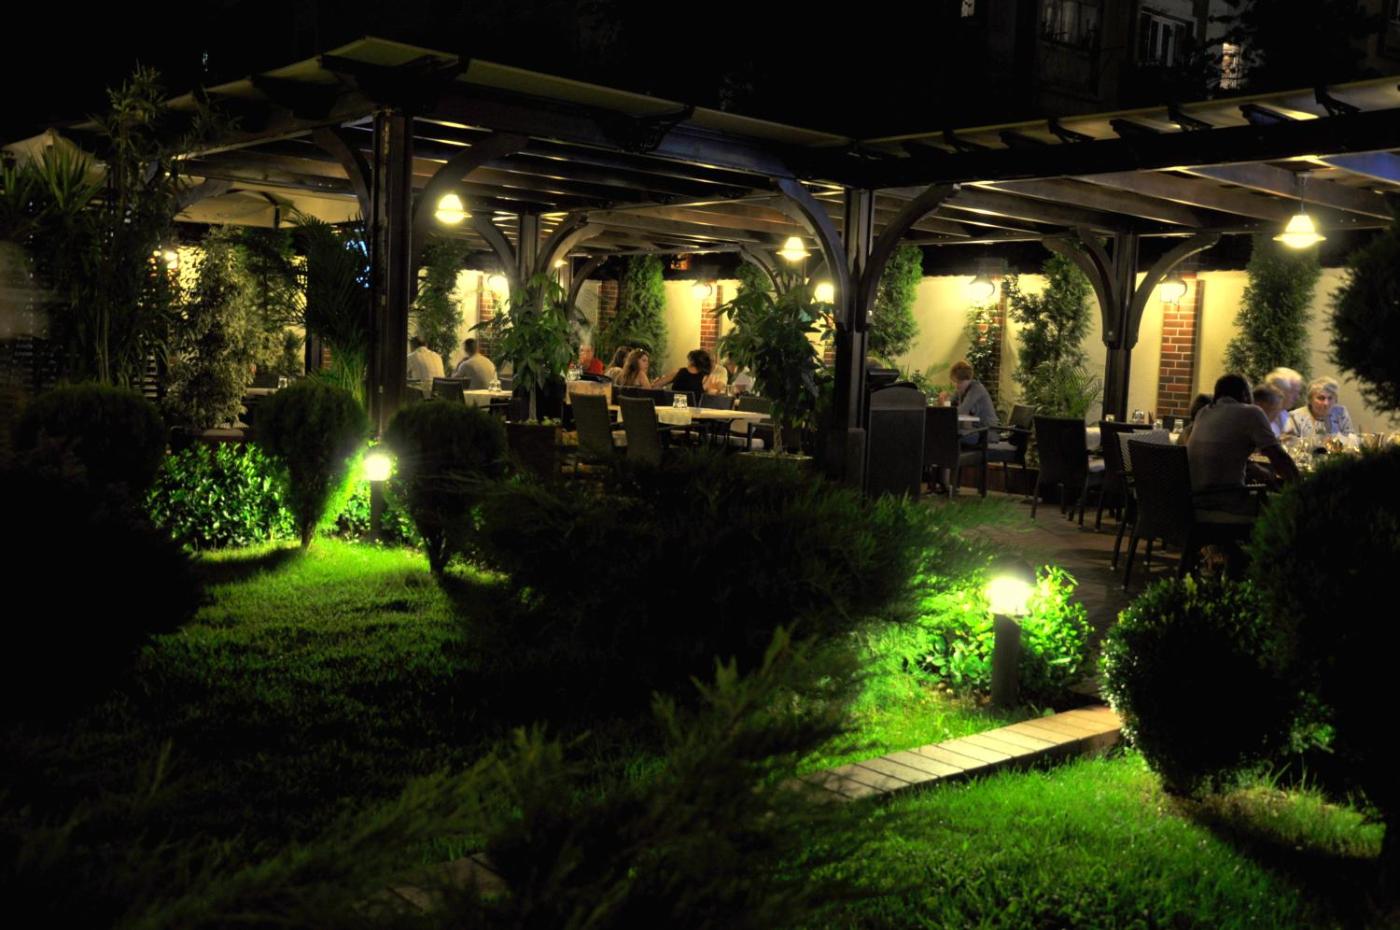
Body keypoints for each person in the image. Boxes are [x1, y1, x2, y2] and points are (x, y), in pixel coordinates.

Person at [1187, 373, 1299, 514]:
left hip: (1193, 500)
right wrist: (1300, 486)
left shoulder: (1203, 413)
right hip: (1227, 501)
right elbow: (1279, 458)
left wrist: (1257, 469)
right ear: (1245, 394)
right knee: (1289, 507)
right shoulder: (1252, 412)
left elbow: (1220, 453)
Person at [939, 359, 999, 446]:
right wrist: (944, 401)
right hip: (973, 429)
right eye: (955, 382)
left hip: (985, 433)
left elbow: (961, 411)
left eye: (959, 382)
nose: (957, 385)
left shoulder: (976, 389)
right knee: (944, 433)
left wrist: (946, 405)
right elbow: (950, 409)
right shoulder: (961, 389)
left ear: (968, 379)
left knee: (948, 435)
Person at [1286, 375, 1355, 440]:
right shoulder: (1295, 417)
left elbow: (1351, 440)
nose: (1326, 403)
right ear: (1310, 399)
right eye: (1321, 398)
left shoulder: (1341, 413)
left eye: (1330, 398)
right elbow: (1289, 443)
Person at [1261, 367, 1304, 437]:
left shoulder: (1284, 413)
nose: (1297, 397)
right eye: (1294, 392)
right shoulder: (1259, 416)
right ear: (1279, 391)